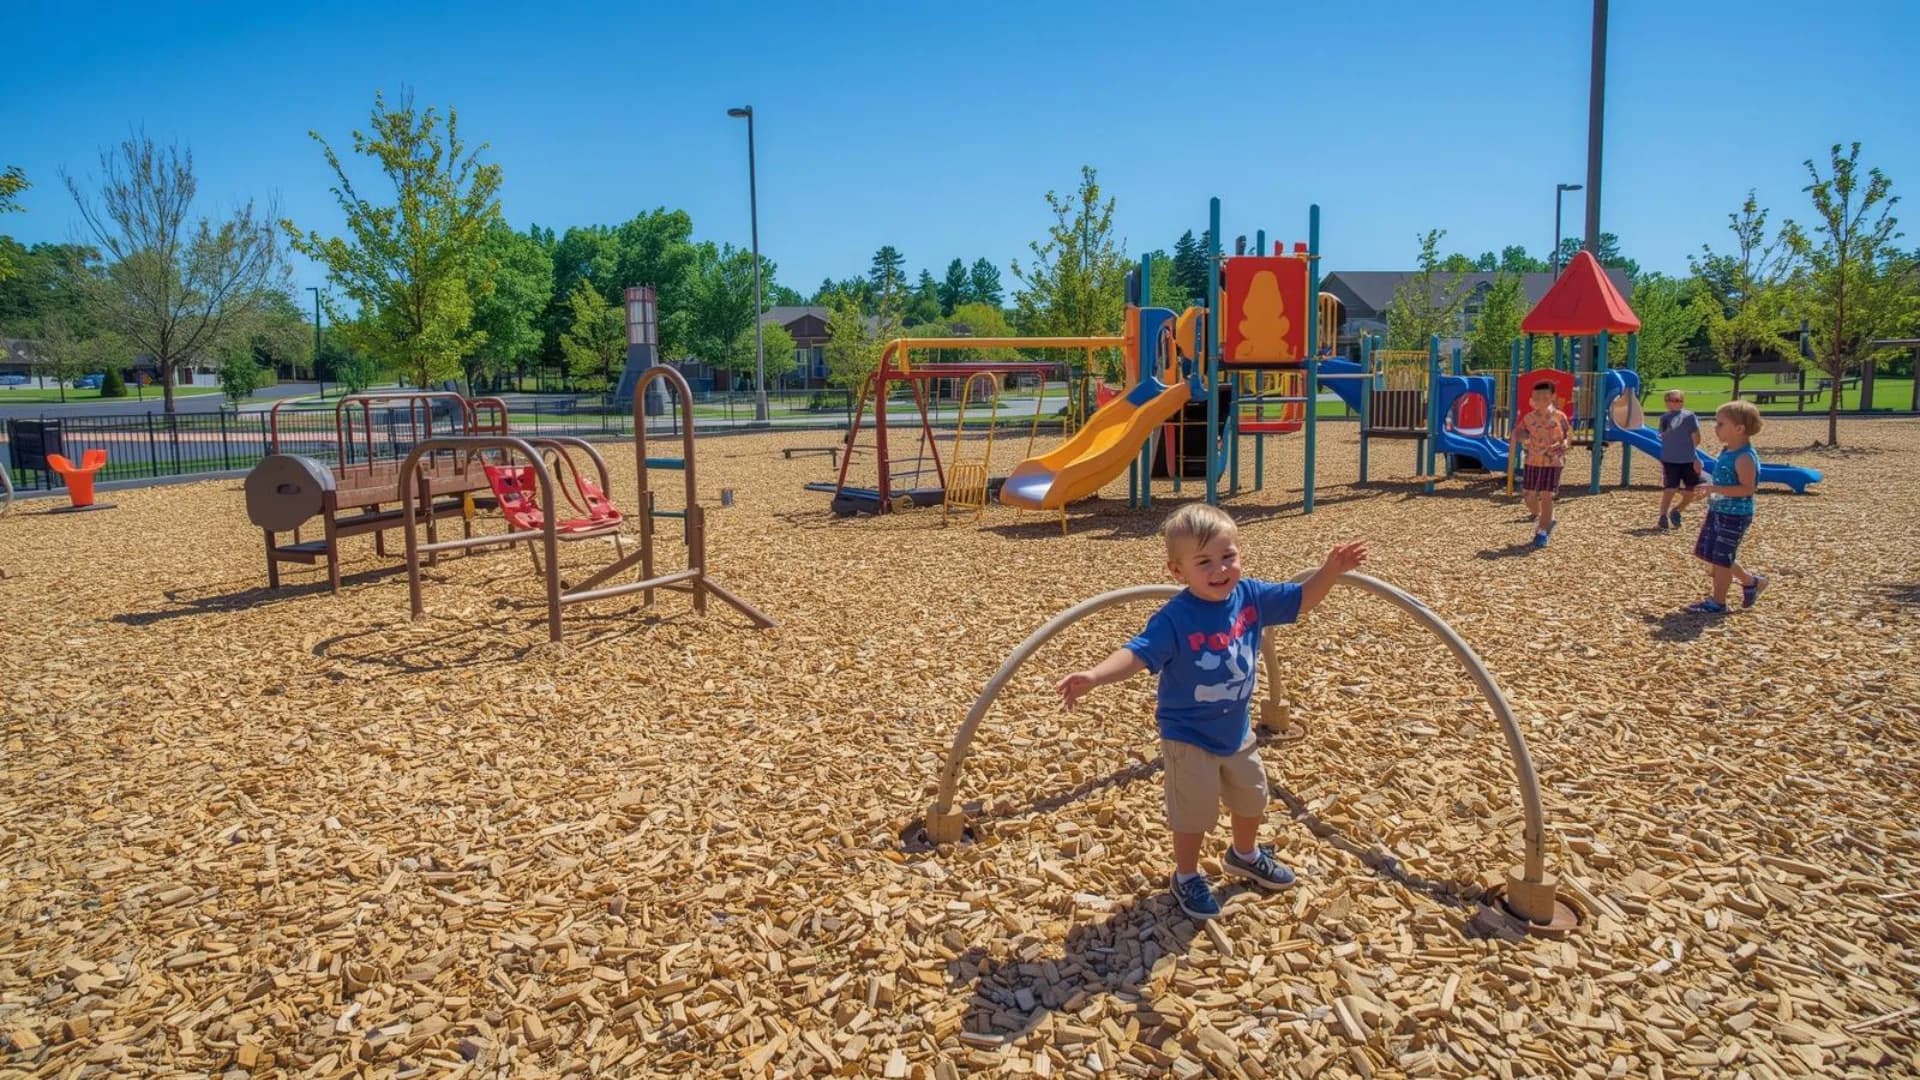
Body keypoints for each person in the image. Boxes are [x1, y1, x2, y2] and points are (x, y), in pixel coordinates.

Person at [1054, 504, 1367, 919]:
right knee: (1194, 813)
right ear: (1177, 571)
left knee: (1252, 797)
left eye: (1228, 557)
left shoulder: (1250, 597)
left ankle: (1244, 853)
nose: (1220, 569)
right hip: (1188, 736)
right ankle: (1185, 875)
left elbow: (1302, 600)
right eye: (1204, 562)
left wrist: (1330, 570)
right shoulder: (1175, 618)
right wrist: (1095, 675)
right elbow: (1137, 653)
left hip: (1236, 731)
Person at [1690, 401, 1768, 614]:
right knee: (1716, 556)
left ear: (1739, 429)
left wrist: (1714, 488)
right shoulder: (1728, 451)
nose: (1716, 428)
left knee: (1722, 560)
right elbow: (1723, 480)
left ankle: (1718, 602)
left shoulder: (1744, 458)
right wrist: (1707, 485)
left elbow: (1747, 489)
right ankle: (1751, 582)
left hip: (1734, 515)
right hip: (1718, 511)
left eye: (1720, 424)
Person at [1509, 382, 1572, 548]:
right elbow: (1519, 431)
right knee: (1528, 495)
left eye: (1544, 397)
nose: (1540, 401)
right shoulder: (1528, 418)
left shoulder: (1560, 417)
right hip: (1532, 461)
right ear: (1532, 400)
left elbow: (1567, 436)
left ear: (1552, 397)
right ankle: (1543, 517)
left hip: (1553, 461)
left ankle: (1542, 531)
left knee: (1546, 495)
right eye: (1536, 398)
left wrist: (1565, 443)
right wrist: (1522, 437)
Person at [1656, 390, 1704, 530]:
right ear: (1666, 402)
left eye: (1679, 400)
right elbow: (1662, 436)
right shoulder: (1664, 418)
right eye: (1672, 400)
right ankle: (1663, 516)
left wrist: (1695, 457)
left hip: (1688, 459)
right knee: (1670, 488)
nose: (1676, 403)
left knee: (1690, 492)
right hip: (1670, 459)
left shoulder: (1689, 416)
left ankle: (1677, 510)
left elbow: (1696, 438)